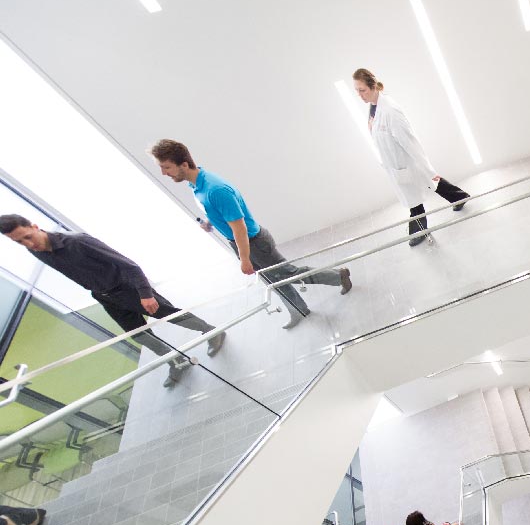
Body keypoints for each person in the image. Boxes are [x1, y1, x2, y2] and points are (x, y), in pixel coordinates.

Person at [0, 214, 223, 387]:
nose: (27, 244)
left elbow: (129, 265)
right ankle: (175, 361)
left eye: (27, 237)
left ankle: (212, 331)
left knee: (170, 315)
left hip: (128, 287)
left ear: (35, 226)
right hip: (105, 296)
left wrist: (145, 294)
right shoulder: (38, 253)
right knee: (139, 335)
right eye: (19, 242)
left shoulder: (78, 242)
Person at [149, 139, 352, 329]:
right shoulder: (196, 184)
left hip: (254, 244)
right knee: (274, 281)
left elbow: (240, 228)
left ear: (184, 165)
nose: (164, 173)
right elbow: (223, 213)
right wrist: (211, 222)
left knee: (288, 274)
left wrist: (244, 259)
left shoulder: (215, 189)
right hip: (244, 244)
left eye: (166, 167)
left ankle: (338, 277)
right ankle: (299, 310)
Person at [352, 68, 471, 247]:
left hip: (406, 163)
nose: (360, 95)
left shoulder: (390, 111)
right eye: (357, 91)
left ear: (373, 86)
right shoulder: (373, 108)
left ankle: (419, 231)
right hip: (396, 164)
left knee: (415, 199)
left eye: (362, 90)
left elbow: (410, 142)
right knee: (431, 185)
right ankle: (459, 197)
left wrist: (429, 169)